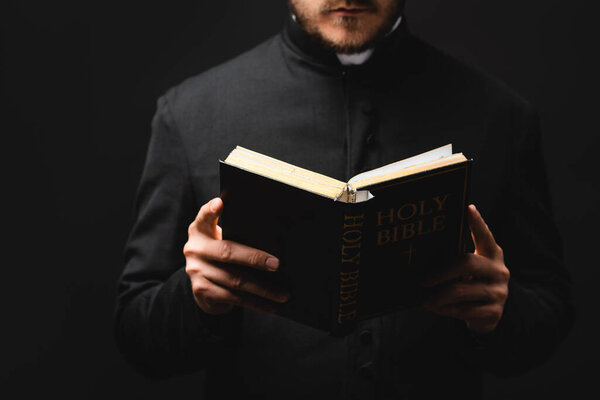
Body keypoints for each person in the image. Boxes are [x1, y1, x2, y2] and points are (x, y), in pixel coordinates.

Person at [114, 1, 574, 398]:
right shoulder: (189, 112)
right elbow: (139, 339)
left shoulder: (502, 116)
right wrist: (197, 299)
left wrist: (500, 312)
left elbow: (548, 321)